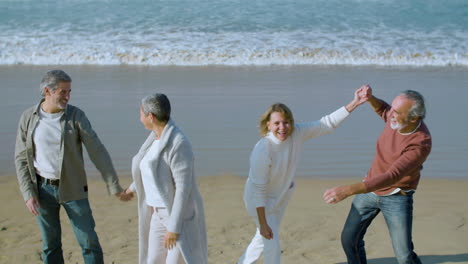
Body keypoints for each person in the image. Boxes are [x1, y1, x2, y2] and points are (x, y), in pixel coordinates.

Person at [237, 86, 369, 264]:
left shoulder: (297, 133)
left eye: (286, 122)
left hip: (282, 195)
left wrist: (355, 103)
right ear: (267, 124)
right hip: (259, 200)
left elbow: (326, 124)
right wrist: (262, 222)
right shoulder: (263, 149)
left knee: (263, 237)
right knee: (271, 241)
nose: (282, 128)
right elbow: (258, 190)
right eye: (277, 123)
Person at [14, 69, 127, 264]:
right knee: (50, 244)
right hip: (42, 190)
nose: (68, 97)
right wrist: (28, 193)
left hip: (73, 188)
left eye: (69, 92)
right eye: (63, 92)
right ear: (47, 92)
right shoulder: (28, 117)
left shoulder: (76, 116)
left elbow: (97, 150)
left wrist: (113, 183)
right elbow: (21, 158)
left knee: (88, 241)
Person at [323, 86, 431, 264]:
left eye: (396, 112)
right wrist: (370, 99)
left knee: (404, 256)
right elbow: (384, 109)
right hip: (369, 189)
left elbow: (392, 176)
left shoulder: (421, 143)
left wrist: (348, 190)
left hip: (397, 196)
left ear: (413, 118)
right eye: (393, 109)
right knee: (349, 240)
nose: (391, 115)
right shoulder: (395, 117)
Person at [120, 93, 208, 264]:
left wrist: (174, 228)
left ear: (150, 116)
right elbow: (150, 171)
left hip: (177, 216)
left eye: (140, 113)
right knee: (152, 260)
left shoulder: (178, 143)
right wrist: (131, 189)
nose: (139, 118)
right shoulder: (155, 138)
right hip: (157, 215)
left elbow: (183, 188)